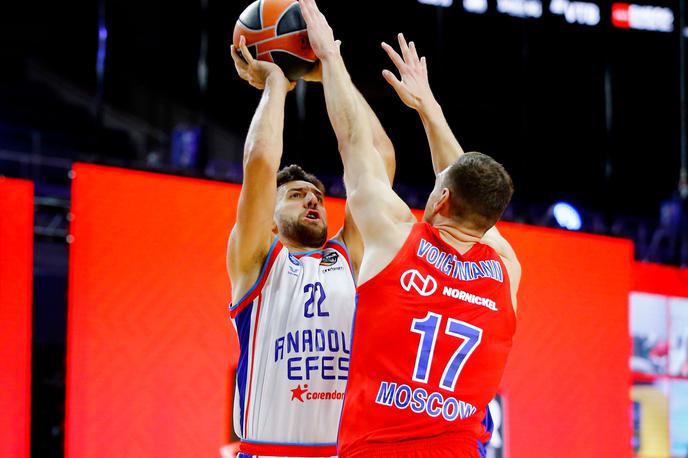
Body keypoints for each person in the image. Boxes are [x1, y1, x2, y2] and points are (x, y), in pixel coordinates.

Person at [300, 1, 520, 456]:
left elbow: (355, 142)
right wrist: (429, 109)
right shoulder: (505, 268)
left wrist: (331, 58)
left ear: (441, 199)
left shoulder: (397, 237)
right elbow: (462, 183)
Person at [226, 31, 395, 457]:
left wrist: (330, 72)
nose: (312, 199)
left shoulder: (349, 257)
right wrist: (275, 85)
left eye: (317, 195)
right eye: (297, 195)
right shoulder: (256, 262)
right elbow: (260, 162)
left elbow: (379, 155)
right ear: (269, 222)